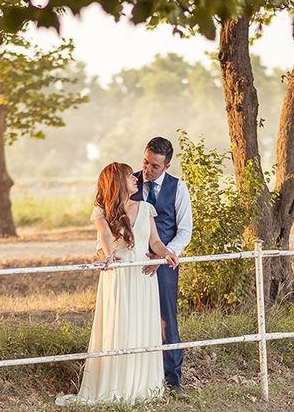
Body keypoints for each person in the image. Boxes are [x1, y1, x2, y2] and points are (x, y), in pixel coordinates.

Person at [55, 162, 179, 406]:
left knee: (142, 326)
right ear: (117, 181)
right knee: (120, 326)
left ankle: (143, 386)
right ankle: (116, 384)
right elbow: (103, 236)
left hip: (143, 279)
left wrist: (167, 253)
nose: (135, 178)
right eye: (128, 175)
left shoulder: (146, 208)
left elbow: (154, 242)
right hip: (119, 277)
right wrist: (107, 254)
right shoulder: (103, 212)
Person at [132, 137, 193, 396]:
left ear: (166, 165)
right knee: (133, 319)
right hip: (133, 264)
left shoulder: (178, 188)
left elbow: (185, 231)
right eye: (145, 162)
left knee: (167, 321)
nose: (147, 169)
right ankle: (137, 377)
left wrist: (165, 255)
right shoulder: (130, 181)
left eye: (154, 166)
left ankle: (173, 380)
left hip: (165, 265)